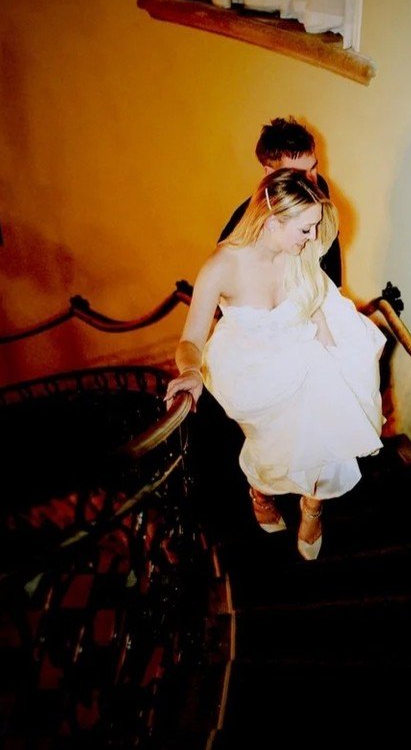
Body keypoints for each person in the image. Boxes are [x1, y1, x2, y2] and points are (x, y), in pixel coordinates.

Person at [164, 169, 385, 561]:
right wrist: (191, 371)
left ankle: (312, 509)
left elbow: (315, 303)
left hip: (304, 353)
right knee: (273, 454)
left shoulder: (300, 253)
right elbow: (191, 339)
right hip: (253, 374)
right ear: (271, 223)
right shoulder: (222, 266)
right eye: (305, 229)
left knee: (328, 438)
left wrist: (336, 359)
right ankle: (261, 493)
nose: (313, 238)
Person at [218, 116, 342, 288]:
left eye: (313, 167)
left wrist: (336, 290)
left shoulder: (318, 185)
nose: (311, 180)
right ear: (270, 173)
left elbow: (329, 240)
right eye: (299, 175)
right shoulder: (243, 224)